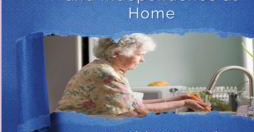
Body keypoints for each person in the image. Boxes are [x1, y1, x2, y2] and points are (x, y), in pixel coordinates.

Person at [57, 33, 211, 117]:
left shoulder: (107, 69)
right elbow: (136, 111)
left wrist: (173, 99)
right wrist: (184, 104)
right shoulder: (104, 73)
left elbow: (131, 104)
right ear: (118, 53)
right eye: (140, 54)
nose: (142, 60)